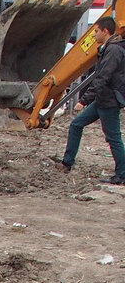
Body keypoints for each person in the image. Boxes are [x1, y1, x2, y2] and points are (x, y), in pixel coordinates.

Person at [53, 16, 125, 184]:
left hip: (108, 101)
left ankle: (122, 174)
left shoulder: (113, 50)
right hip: (102, 99)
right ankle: (67, 163)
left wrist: (84, 100)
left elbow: (102, 78)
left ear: (106, 31)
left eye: (96, 31)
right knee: (76, 124)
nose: (93, 35)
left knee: (113, 137)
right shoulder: (108, 48)